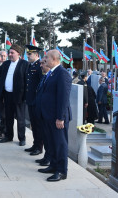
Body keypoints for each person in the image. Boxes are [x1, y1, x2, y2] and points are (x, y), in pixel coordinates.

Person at [37, 50, 72, 182]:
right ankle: (53, 165)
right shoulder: (51, 73)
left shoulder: (62, 74)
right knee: (51, 143)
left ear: (54, 59)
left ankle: (62, 171)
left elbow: (63, 98)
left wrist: (60, 117)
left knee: (60, 144)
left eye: (46, 57)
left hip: (57, 117)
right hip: (48, 116)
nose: (44, 60)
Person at [0, 44, 29, 146]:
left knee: (20, 119)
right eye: (9, 52)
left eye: (12, 53)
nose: (10, 54)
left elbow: (26, 82)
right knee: (8, 117)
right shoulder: (6, 64)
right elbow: (1, 79)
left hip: (19, 96)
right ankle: (8, 136)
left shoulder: (24, 64)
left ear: (18, 54)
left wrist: (24, 96)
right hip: (7, 95)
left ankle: (22, 138)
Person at [24, 45, 43, 156]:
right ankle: (35, 145)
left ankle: (39, 147)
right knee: (33, 124)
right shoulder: (30, 66)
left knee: (38, 125)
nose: (28, 55)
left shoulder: (40, 66)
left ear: (36, 54)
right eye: (27, 53)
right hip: (30, 99)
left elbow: (41, 84)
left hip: (36, 100)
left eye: (30, 54)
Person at [35, 57, 51, 166]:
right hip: (42, 112)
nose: (40, 65)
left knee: (50, 139)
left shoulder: (52, 76)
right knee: (45, 137)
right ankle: (46, 156)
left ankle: (49, 159)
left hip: (49, 113)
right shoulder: (45, 76)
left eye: (43, 63)